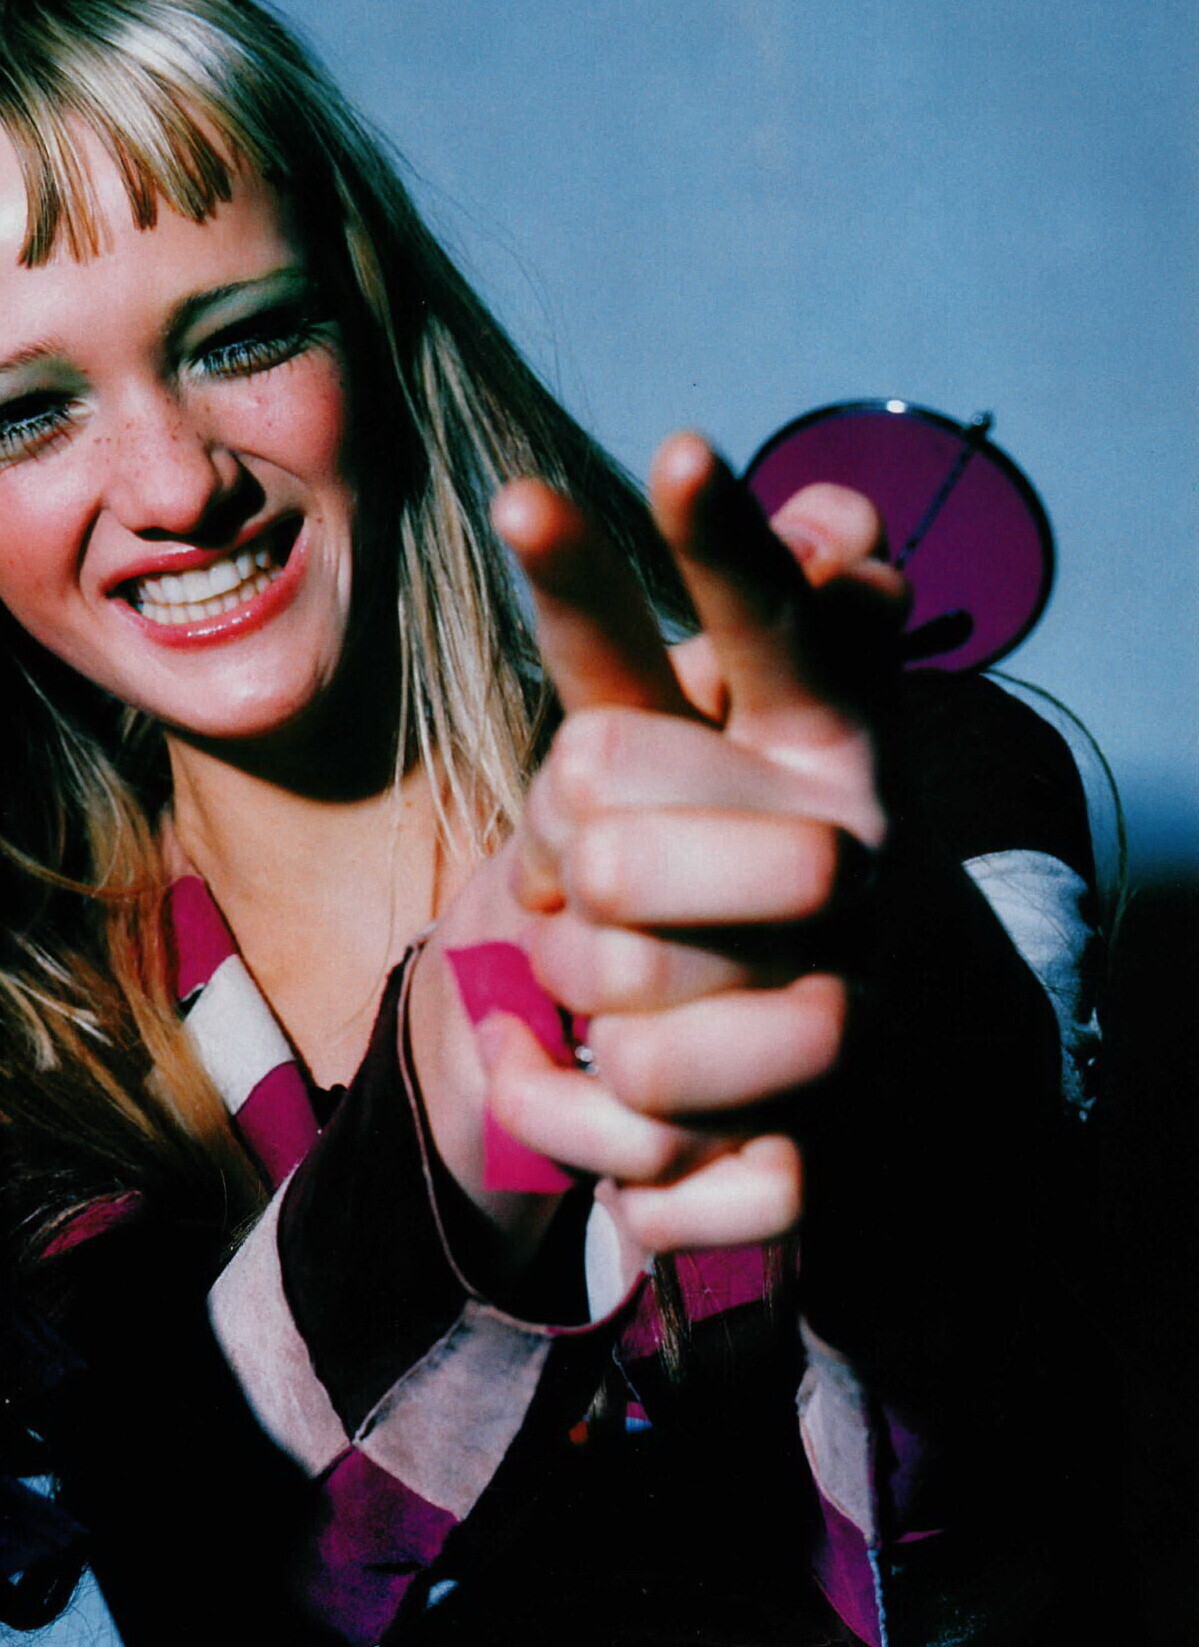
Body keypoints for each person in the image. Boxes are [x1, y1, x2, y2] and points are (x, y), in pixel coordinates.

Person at [0, 1, 1106, 1643]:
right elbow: (187, 1575)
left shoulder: (916, 788)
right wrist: (488, 1048)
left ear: (374, 328)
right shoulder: (27, 1088)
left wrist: (895, 1028)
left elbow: (1001, 1456)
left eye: (241, 341)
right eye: (24, 413)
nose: (175, 486)